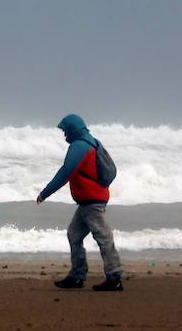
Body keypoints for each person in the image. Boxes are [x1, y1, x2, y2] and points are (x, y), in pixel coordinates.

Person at [36, 114, 123, 291]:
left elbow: (65, 172)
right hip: (87, 201)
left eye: (65, 130)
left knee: (103, 238)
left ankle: (114, 277)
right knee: (74, 234)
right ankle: (77, 276)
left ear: (72, 129)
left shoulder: (80, 146)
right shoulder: (92, 141)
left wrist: (45, 193)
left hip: (92, 202)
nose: (64, 134)